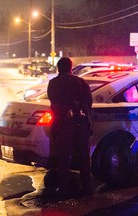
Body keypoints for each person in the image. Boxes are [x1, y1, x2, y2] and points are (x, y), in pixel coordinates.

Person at [47, 57, 93, 197]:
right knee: (84, 157)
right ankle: (86, 187)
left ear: (58, 68)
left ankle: (63, 188)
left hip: (63, 125)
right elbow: (88, 102)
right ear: (71, 68)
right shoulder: (81, 82)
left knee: (64, 158)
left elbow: (53, 102)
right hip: (81, 124)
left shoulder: (53, 83)